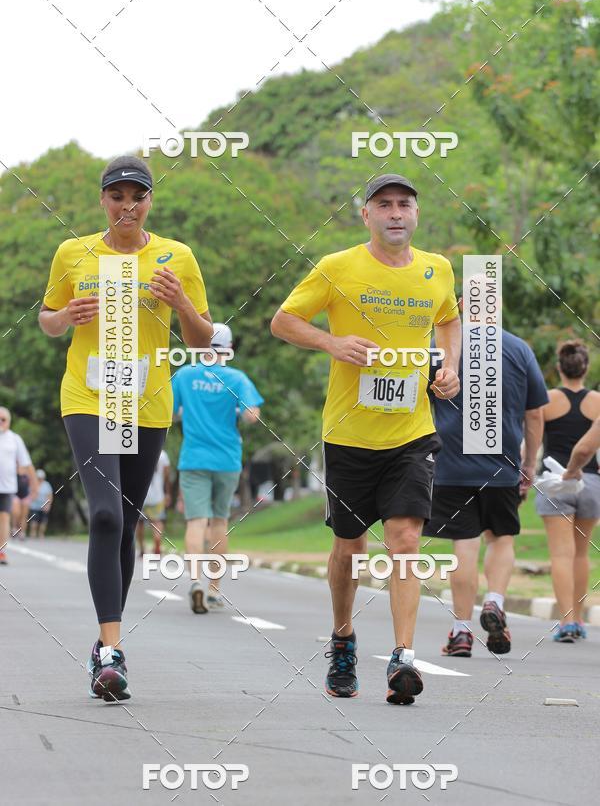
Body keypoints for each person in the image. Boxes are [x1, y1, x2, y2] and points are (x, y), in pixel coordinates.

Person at [271, 173, 461, 705]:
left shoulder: (437, 269)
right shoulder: (337, 268)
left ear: (416, 215)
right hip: (350, 433)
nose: (395, 213)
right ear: (366, 215)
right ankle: (343, 637)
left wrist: (450, 365)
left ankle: (403, 657)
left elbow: (449, 320)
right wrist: (332, 342)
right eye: (384, 205)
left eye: (404, 205)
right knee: (349, 548)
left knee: (404, 539)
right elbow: (283, 321)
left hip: (412, 431)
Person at [39, 155, 212, 701]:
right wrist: (67, 317)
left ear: (150, 203)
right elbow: (46, 319)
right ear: (103, 201)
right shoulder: (75, 253)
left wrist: (180, 301)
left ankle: (103, 638)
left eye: (137, 197)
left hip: (146, 403)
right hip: (89, 398)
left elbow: (204, 339)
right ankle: (112, 651)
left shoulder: (175, 257)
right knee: (107, 515)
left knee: (128, 520)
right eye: (117, 196)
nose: (127, 206)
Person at [425, 295, 547, 657]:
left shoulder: (436, 350)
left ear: (462, 304)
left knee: (464, 542)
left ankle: (461, 632)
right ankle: (494, 602)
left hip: (450, 464)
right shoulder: (519, 349)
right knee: (501, 537)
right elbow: (536, 414)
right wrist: (529, 462)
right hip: (501, 464)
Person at [172, 323, 263, 613]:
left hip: (193, 458)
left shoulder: (185, 375)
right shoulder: (237, 378)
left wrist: (188, 414)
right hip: (227, 459)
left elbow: (170, 414)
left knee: (196, 522)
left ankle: (195, 581)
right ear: (230, 350)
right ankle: (214, 590)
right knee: (219, 522)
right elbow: (252, 415)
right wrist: (239, 411)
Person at [536, 340, 600, 642]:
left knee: (561, 555)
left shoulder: (547, 400)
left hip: (555, 481)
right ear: (585, 367)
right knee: (581, 554)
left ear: (559, 367)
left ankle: (566, 623)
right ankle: (580, 618)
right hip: (590, 481)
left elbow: (534, 435)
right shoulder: (598, 402)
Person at [0, 407, 38, 564]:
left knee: (4, 517)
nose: (0, 422)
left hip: (6, 487)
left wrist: (35, 486)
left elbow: (27, 464)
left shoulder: (14, 439)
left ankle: (1, 551)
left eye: (3, 419)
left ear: (9, 421)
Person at [136, 450, 171, 557]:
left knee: (140, 523)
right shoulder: (163, 455)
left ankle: (142, 549)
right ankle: (157, 544)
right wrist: (167, 493)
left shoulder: (138, 450)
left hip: (140, 495)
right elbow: (166, 477)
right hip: (157, 496)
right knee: (157, 522)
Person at [28, 469, 54, 539]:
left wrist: (48, 505)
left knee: (43, 521)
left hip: (44, 505)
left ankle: (41, 534)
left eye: (41, 478)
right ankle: (33, 533)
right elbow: (30, 495)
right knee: (34, 520)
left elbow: (50, 496)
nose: (39, 479)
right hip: (34, 506)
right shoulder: (33, 484)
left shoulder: (46, 485)